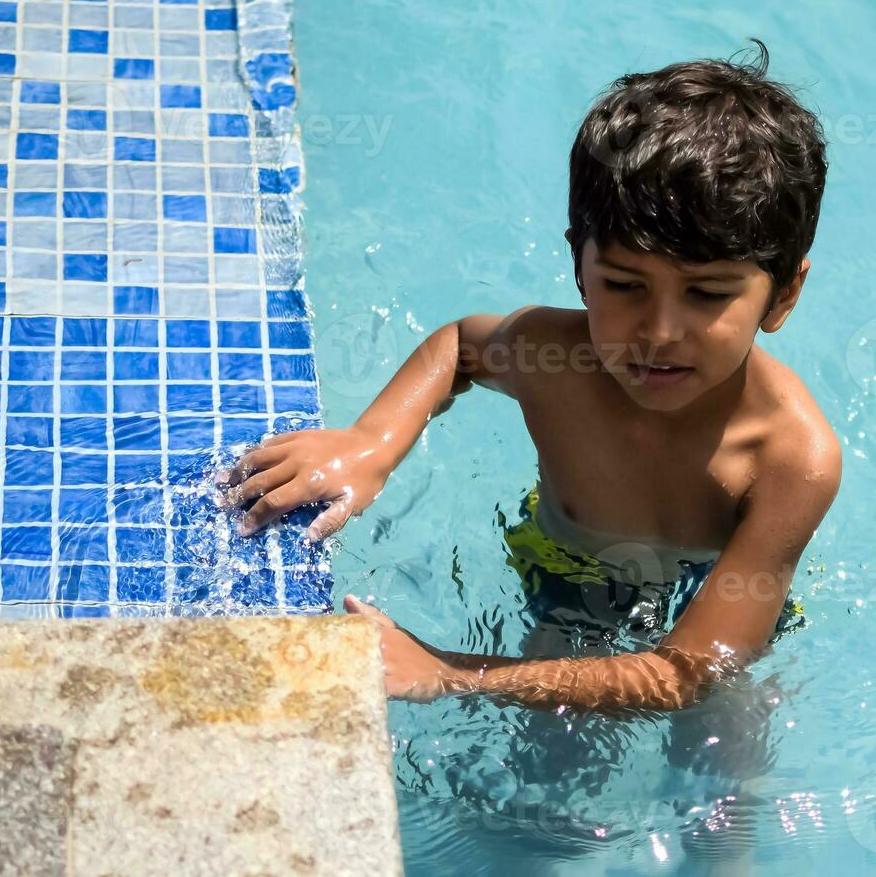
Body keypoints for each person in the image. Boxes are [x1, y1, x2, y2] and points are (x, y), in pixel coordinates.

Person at [221, 39, 841, 717]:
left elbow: (684, 674)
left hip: (716, 594)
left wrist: (449, 672)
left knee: (725, 751)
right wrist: (370, 445)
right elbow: (460, 347)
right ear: (580, 265)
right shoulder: (556, 357)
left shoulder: (790, 460)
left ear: (782, 296)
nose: (661, 331)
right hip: (567, 570)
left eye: (707, 295)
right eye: (626, 285)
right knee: (546, 769)